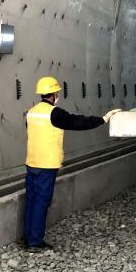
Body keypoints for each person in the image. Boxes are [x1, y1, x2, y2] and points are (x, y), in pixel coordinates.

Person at [23, 76, 122, 252]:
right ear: (53, 94)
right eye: (57, 93)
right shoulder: (55, 113)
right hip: (46, 164)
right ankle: (35, 242)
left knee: (31, 200)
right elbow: (78, 122)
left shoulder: (31, 112)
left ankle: (28, 236)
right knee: (41, 202)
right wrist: (103, 119)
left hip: (32, 163)